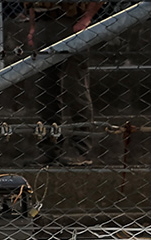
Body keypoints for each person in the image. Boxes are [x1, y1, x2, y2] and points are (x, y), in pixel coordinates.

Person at [26, 2, 103, 166]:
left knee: (75, 89)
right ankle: (49, 147)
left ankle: (80, 149)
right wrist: (33, 26)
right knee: (45, 90)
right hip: (43, 20)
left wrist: (86, 18)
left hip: (71, 20)